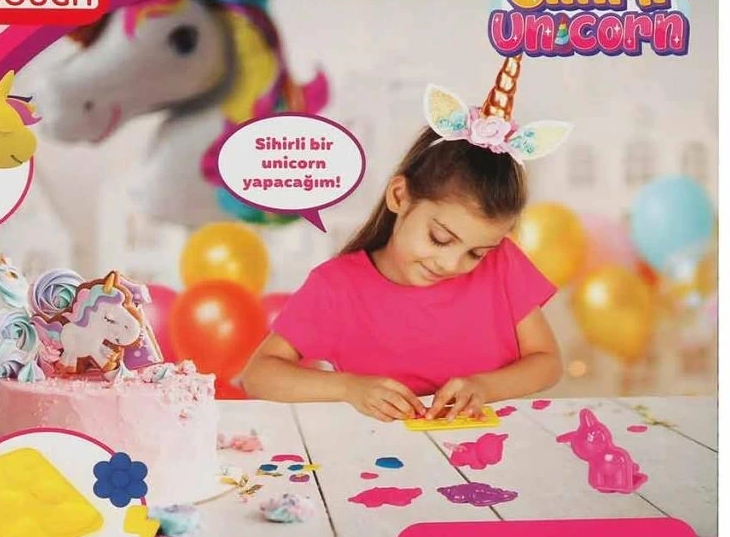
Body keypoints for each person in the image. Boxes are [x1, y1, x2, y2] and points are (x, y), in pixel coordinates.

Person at [240, 56, 571, 423]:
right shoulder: (336, 287)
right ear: (400, 196)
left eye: (476, 253)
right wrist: (349, 388)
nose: (452, 264)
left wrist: (485, 387)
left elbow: (547, 362)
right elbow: (259, 376)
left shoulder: (502, 264)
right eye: (440, 238)